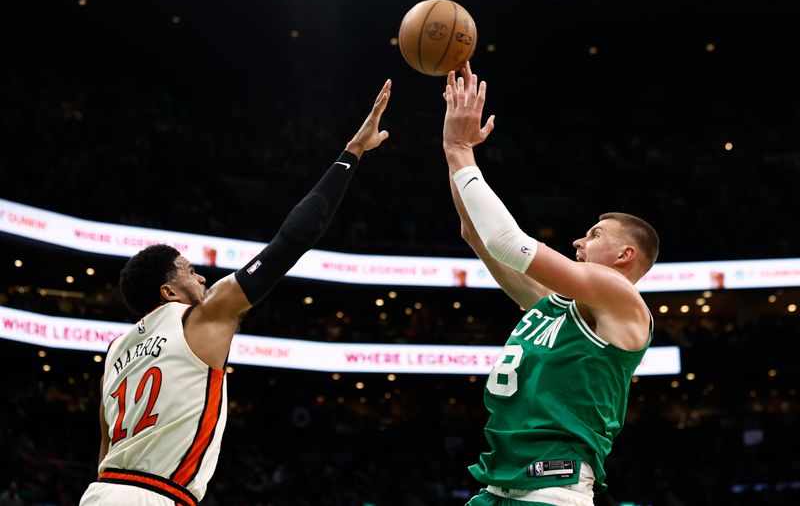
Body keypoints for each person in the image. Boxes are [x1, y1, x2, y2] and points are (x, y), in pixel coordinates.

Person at [79, 79, 392, 506]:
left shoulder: (115, 351)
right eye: (190, 271)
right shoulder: (198, 317)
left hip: (99, 493)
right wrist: (352, 152)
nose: (202, 279)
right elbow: (295, 237)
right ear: (169, 290)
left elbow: (106, 446)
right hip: (154, 497)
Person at [441, 62, 659, 506]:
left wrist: (461, 147)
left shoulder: (621, 298)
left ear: (625, 255)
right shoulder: (553, 303)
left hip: (553, 488)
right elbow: (476, 233)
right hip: (496, 486)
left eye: (595, 235)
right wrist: (453, 150)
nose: (579, 239)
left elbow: (506, 242)